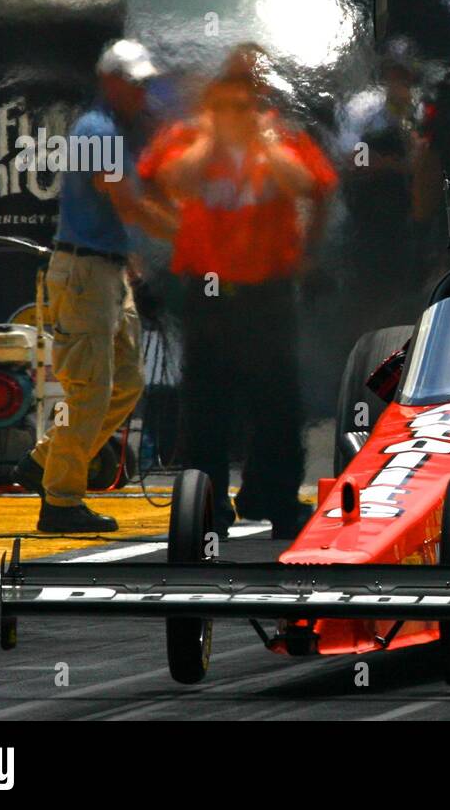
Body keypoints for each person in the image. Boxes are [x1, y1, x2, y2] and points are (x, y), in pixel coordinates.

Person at [138, 55, 337, 538]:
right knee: (206, 401)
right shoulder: (188, 139)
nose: (236, 113)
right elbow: (170, 180)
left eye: (245, 103)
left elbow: (311, 184)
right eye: (225, 103)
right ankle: (208, 507)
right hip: (210, 291)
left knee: (277, 401)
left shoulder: (282, 138)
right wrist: (213, 141)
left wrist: (260, 144)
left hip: (266, 291)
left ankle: (275, 499)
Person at [11, 39, 162, 533]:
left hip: (106, 270)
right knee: (90, 391)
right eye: (135, 83)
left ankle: (47, 462)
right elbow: (124, 201)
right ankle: (60, 501)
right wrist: (195, 234)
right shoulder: (98, 132)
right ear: (110, 82)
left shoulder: (112, 130)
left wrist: (132, 260)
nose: (143, 93)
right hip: (85, 275)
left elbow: (116, 213)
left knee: (124, 384)